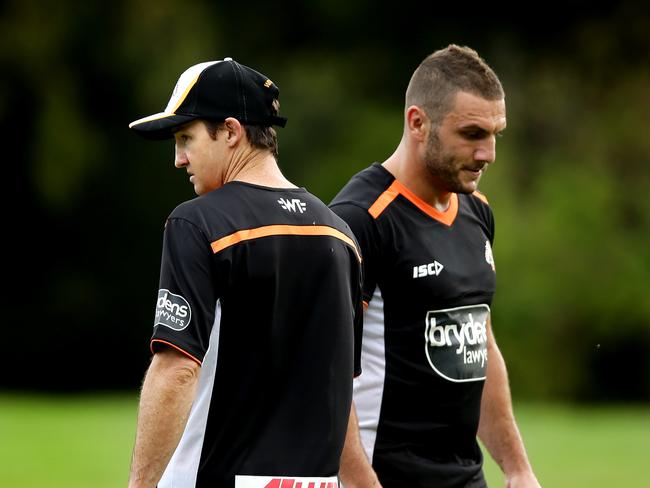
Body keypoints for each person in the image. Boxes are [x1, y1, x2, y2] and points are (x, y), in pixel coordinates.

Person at [127, 57, 363, 488]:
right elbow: (339, 391)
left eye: (186, 138)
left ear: (232, 132)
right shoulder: (341, 236)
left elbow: (177, 370)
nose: (179, 159)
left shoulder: (197, 224)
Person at [329, 45, 541, 488]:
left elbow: (478, 340)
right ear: (417, 122)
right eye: (472, 134)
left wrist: (518, 469)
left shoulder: (476, 211)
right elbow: (322, 367)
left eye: (495, 134)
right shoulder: (360, 220)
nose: (489, 153)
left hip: (465, 477)